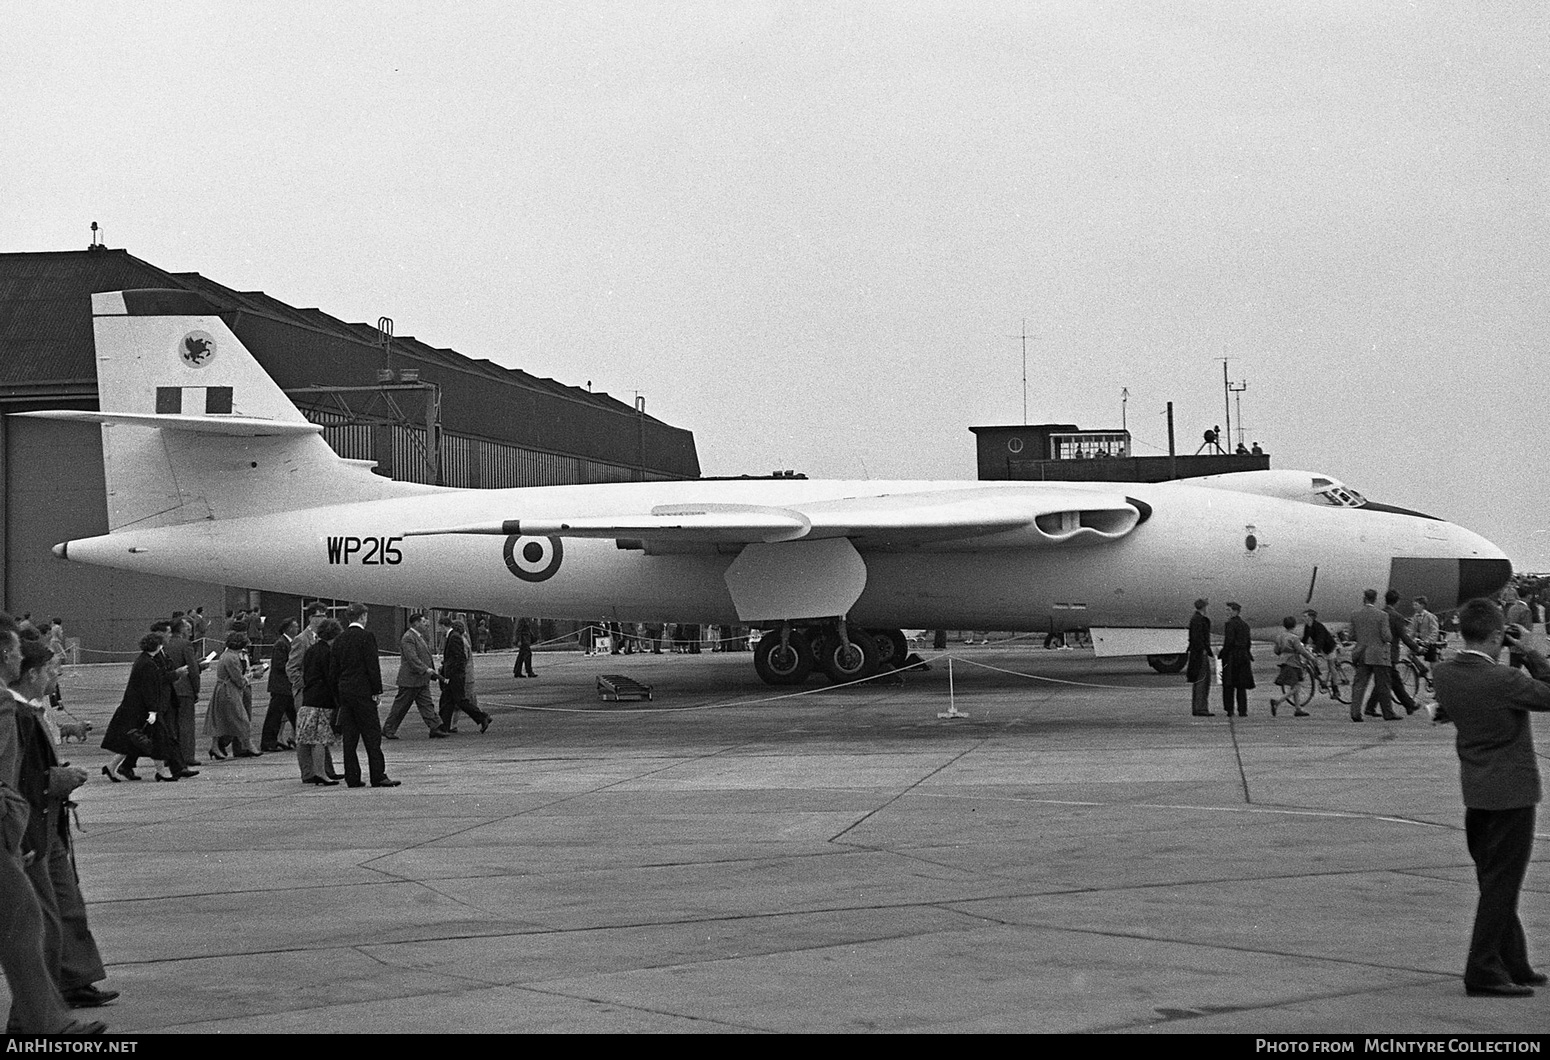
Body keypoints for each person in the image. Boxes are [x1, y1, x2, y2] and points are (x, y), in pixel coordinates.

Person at [1431, 598, 1550, 997]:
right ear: (1498, 635)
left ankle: (1513, 961)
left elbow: (1444, 710)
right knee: (1503, 885)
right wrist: (1531, 651)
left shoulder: (1445, 673)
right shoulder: (1504, 680)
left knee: (1494, 882)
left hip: (1476, 794)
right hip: (1512, 796)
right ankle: (1482, 969)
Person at [0, 619, 104, 1034]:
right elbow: (12, 782)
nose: (17, 656)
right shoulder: (8, 710)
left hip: (26, 827)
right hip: (18, 830)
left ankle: (37, 1022)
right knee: (28, 924)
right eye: (12, 650)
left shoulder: (23, 710)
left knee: (31, 923)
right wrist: (16, 835)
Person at [102, 632, 188, 782]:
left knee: (131, 742)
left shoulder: (144, 660)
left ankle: (111, 767)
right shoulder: (148, 664)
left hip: (135, 709)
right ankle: (161, 771)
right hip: (143, 710)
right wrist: (153, 711)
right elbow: (149, 690)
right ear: (157, 646)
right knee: (158, 738)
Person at [329, 603, 398, 787]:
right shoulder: (367, 637)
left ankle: (352, 777)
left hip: (345, 693)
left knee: (350, 738)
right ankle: (378, 775)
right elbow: (372, 666)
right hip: (363, 692)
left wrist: (338, 695)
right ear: (362, 617)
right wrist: (376, 691)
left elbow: (333, 671)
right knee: (372, 736)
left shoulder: (339, 639)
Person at [288, 605, 339, 782]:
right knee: (306, 734)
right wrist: (304, 685)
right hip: (307, 692)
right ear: (310, 618)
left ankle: (327, 769)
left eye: (325, 615)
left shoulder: (320, 640)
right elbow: (292, 668)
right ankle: (309, 772)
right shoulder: (301, 640)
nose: (322, 618)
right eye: (319, 616)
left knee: (319, 732)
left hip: (315, 692)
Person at [383, 613, 446, 740]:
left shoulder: (419, 637)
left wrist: (431, 672)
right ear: (415, 623)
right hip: (410, 680)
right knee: (401, 706)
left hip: (421, 679)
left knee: (427, 704)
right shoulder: (408, 638)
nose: (426, 623)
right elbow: (412, 658)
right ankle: (388, 729)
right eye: (423, 622)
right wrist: (425, 669)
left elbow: (425, 656)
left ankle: (435, 727)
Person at [204, 632, 258, 759]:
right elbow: (238, 679)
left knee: (219, 720)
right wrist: (251, 676)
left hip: (223, 689)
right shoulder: (232, 658)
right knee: (241, 718)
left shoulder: (227, 655)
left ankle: (215, 746)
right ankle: (247, 744)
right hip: (229, 691)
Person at [1348, 588, 1396, 722]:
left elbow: (1351, 635)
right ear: (1375, 599)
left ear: (1364, 598)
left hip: (1362, 652)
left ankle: (1355, 713)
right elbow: (1387, 636)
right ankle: (1388, 713)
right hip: (1378, 654)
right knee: (1383, 684)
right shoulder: (1382, 615)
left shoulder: (1355, 614)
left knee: (1359, 684)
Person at [439, 620, 492, 734]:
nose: (440, 630)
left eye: (440, 627)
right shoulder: (454, 636)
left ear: (444, 626)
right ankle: (444, 726)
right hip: (453, 675)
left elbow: (460, 658)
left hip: (454, 676)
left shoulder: (454, 638)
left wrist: (451, 673)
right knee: (447, 701)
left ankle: (482, 717)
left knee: (460, 700)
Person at [1380, 588, 1425, 716]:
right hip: (1390, 653)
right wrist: (1417, 648)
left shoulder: (1379, 613)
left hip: (1378, 652)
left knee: (1384, 680)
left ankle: (1370, 707)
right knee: (1395, 681)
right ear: (1397, 602)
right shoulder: (1397, 617)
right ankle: (1409, 704)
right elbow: (1404, 637)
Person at [259, 618, 299, 752]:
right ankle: (268, 742)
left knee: (294, 714)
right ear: (288, 629)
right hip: (281, 687)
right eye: (295, 626)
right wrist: (295, 667)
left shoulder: (289, 643)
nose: (297, 628)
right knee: (275, 715)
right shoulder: (281, 644)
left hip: (287, 687)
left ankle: (299, 738)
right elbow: (279, 664)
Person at [1269, 616, 1312, 717]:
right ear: (1294, 625)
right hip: (1294, 663)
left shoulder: (1279, 637)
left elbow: (1276, 651)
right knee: (1296, 686)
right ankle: (1277, 702)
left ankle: (1298, 708)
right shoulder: (1294, 638)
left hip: (1284, 663)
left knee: (1294, 685)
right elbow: (1302, 651)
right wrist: (1312, 658)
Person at [1218, 602, 1254, 717]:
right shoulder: (1245, 625)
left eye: (1228, 610)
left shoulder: (1230, 624)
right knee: (1241, 686)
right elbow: (1248, 642)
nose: (1226, 613)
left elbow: (1229, 641)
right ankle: (1242, 710)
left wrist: (1223, 653)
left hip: (1232, 656)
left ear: (1235, 611)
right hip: (1243, 656)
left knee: (1229, 685)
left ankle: (1230, 709)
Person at [1185, 598, 1213, 716]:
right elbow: (1198, 638)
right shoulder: (1199, 620)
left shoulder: (1195, 619)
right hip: (1200, 654)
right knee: (1202, 680)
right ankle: (1201, 708)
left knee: (1200, 680)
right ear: (1204, 607)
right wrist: (1204, 650)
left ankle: (1198, 707)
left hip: (1197, 653)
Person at [1412, 596, 1442, 663]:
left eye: (1416, 605)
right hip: (1420, 642)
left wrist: (1429, 640)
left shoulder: (1430, 617)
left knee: (1432, 663)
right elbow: (1413, 630)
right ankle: (1422, 670)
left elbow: (1434, 631)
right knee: (1410, 654)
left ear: (1422, 605)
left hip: (1429, 644)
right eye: (1413, 605)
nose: (1414, 607)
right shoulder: (1415, 616)